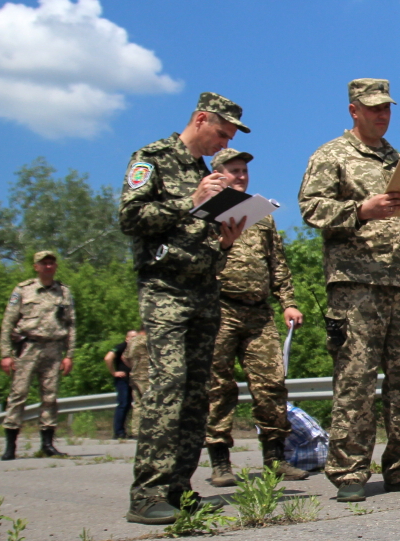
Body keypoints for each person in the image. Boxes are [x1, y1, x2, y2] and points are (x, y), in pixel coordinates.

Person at [298, 78, 400, 502]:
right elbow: (311, 208)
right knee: (356, 381)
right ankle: (349, 473)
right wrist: (359, 210)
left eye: (387, 108)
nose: (382, 114)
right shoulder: (332, 155)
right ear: (353, 110)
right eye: (373, 107)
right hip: (356, 284)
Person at [119, 92, 248, 524]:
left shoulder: (205, 172)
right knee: (169, 385)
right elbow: (131, 218)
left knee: (197, 393)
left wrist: (225, 242)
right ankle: (147, 493)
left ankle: (178, 487)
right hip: (165, 288)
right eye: (220, 133)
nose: (223, 143)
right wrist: (189, 201)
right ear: (200, 119)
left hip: (204, 289)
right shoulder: (152, 158)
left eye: (229, 137)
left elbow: (200, 236)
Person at [204, 148, 309, 486]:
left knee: (271, 385)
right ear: (218, 173)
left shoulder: (260, 214)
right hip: (220, 308)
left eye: (244, 171)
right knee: (218, 387)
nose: (242, 176)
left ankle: (275, 458)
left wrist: (287, 302)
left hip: (259, 311)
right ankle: (220, 461)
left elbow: (277, 262)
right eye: (234, 171)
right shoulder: (205, 213)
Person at [0, 251, 76, 461]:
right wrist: (6, 354)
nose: (48, 266)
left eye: (51, 263)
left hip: (53, 348)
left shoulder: (64, 292)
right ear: (36, 267)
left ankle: (47, 444)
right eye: (44, 263)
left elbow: (71, 325)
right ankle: (10, 446)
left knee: (50, 397)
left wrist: (69, 355)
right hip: (28, 347)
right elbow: (8, 322)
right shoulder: (23, 290)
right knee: (18, 394)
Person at [104, 330, 138, 439]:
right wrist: (113, 372)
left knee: (132, 405)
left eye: (136, 337)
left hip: (134, 379)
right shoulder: (122, 346)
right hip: (122, 379)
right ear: (127, 338)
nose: (134, 339)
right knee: (123, 404)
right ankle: (119, 432)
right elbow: (108, 358)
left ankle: (132, 431)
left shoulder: (138, 348)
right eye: (132, 337)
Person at [124, 329, 150, 431]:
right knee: (149, 402)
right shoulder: (147, 340)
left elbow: (124, 357)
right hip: (145, 375)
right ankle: (148, 429)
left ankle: (136, 429)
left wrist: (133, 367)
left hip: (134, 376)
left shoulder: (132, 341)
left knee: (138, 404)